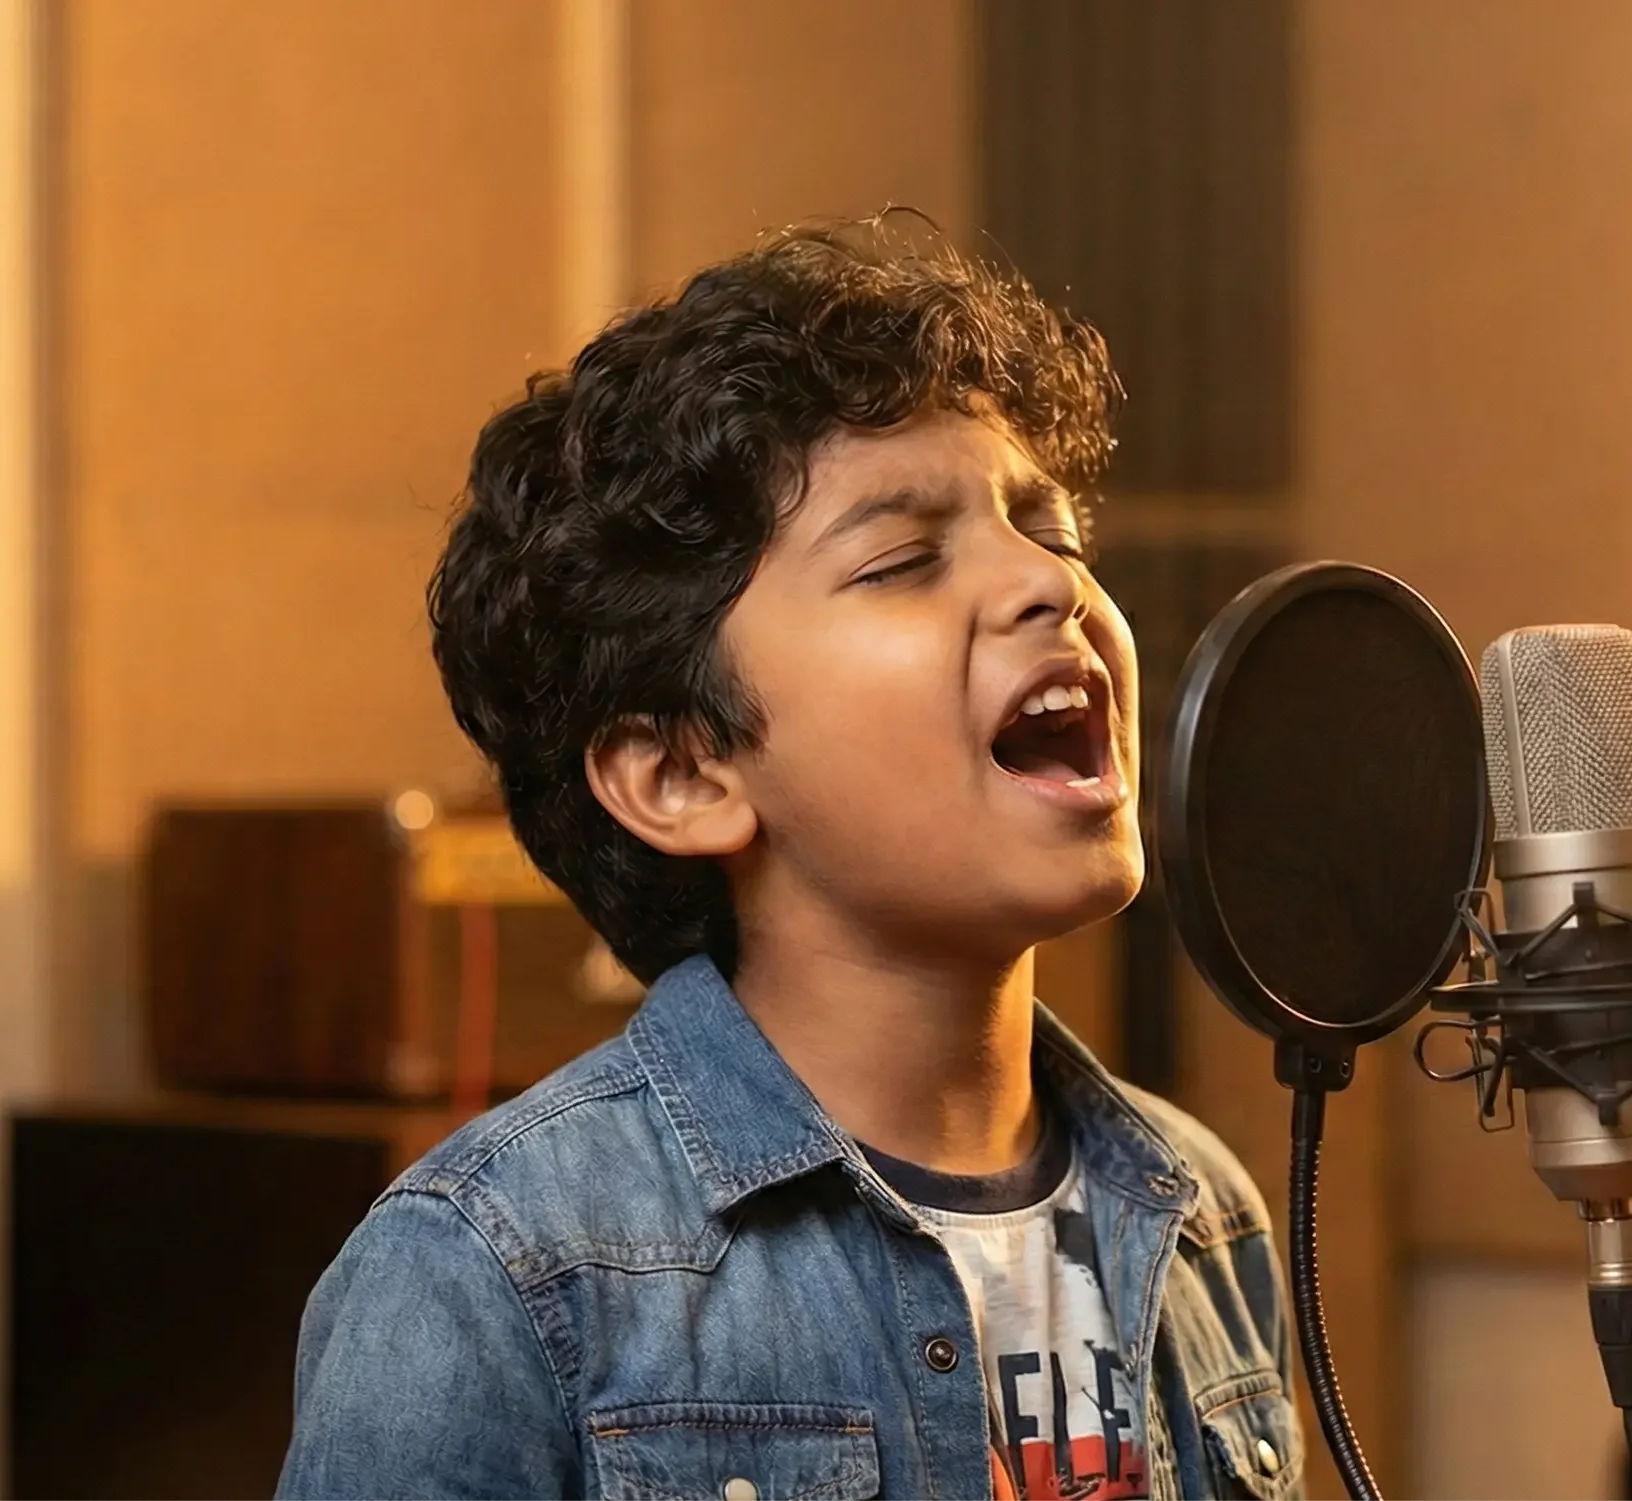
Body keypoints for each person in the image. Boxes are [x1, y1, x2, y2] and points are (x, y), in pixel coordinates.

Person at [275, 216, 1303, 1501]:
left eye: (1050, 530)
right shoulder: (493, 1270)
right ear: (683, 775)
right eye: (900, 560)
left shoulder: (1199, 1202)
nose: (1048, 584)